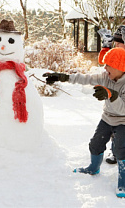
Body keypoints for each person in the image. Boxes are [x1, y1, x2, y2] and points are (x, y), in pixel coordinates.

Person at [43, 47, 125, 198]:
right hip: (107, 118)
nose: (105, 67)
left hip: (123, 122)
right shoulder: (105, 77)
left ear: (120, 67)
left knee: (121, 149)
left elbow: (123, 110)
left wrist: (111, 95)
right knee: (95, 144)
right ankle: (93, 168)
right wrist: (64, 77)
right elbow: (86, 78)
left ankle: (123, 181)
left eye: (108, 65)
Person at [98, 25, 125, 164]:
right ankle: (115, 152)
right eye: (114, 42)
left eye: (118, 42)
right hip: (114, 99)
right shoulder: (115, 52)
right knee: (115, 126)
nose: (116, 45)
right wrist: (105, 46)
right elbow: (103, 60)